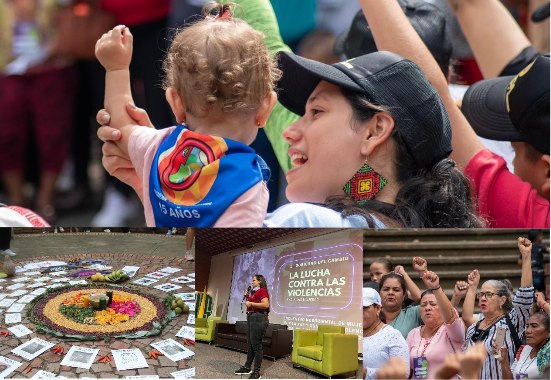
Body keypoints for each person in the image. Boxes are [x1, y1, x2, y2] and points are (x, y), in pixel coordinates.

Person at [96, 0, 485, 229]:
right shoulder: (370, 207)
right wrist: (162, 186)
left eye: (315, 112)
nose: (287, 131)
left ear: (375, 131)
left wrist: (159, 177)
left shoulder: (305, 221)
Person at [94, 2, 279, 227]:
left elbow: (119, 130)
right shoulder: (248, 184)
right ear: (266, 107)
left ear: (175, 103)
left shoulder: (159, 148)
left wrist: (116, 69)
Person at [0, 0, 76, 223]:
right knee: (6, 136)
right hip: (7, 70)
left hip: (53, 67)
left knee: (53, 135)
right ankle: (16, 199)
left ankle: (46, 199)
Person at [461, 237, 534, 380]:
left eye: (488, 294)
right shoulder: (472, 328)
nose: (482, 298)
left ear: (502, 300)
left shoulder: (511, 322)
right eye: (481, 295)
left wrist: (526, 256)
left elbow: (525, 294)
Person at [406, 267, 465, 380]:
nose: (428, 308)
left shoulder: (452, 331)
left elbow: (451, 317)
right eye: (423, 305)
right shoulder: (413, 333)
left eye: (433, 304)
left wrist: (436, 288)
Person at [362, 287, 409, 380]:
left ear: (378, 308)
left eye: (364, 308)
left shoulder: (392, 336)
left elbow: (403, 374)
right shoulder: (349, 334)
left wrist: (366, 373)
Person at [493, 311, 550, 379]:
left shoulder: (548, 353)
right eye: (527, 326)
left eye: (534, 326)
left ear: (548, 332)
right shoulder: (524, 350)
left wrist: (542, 303)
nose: (527, 331)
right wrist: (504, 360)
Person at [235, 274, 270, 380]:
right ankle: (247, 367)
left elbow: (265, 305)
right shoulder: (254, 292)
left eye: (254, 280)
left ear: (259, 281)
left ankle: (256, 372)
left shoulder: (262, 291)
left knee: (256, 345)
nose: (252, 282)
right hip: (251, 318)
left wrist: (251, 303)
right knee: (250, 344)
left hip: (258, 318)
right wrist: (247, 297)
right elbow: (250, 304)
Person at [379, 271, 422, 339]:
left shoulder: (414, 314)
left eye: (396, 290)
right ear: (379, 293)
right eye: (386, 289)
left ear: (404, 295)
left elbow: (419, 297)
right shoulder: (371, 315)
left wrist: (422, 273)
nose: (390, 293)